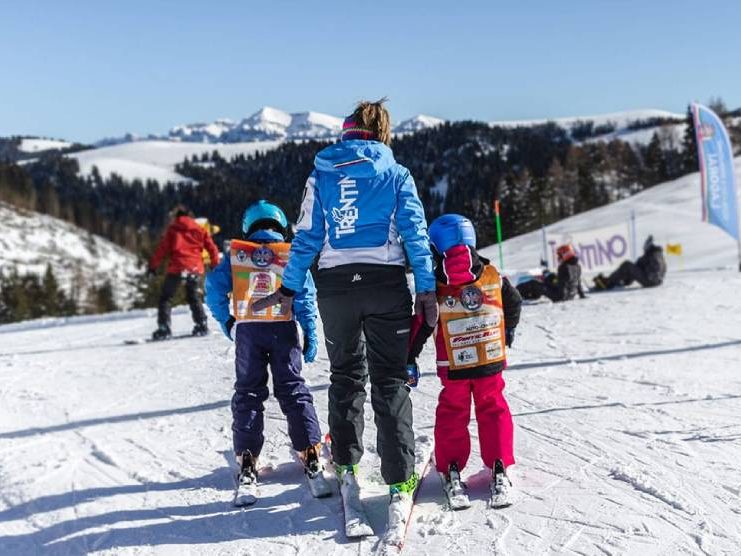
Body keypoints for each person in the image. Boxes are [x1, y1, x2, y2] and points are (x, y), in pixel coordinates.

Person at [252, 100, 437, 519]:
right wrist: (426, 289)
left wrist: (288, 287)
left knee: (346, 376)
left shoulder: (321, 175)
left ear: (346, 132)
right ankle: (399, 478)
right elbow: (414, 233)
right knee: (390, 380)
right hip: (385, 285)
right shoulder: (396, 174)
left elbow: (306, 237)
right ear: (381, 132)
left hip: (335, 289)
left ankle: (349, 468)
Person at [204, 200, 323, 505]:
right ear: (279, 224)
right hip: (283, 328)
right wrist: (309, 331)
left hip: (248, 330)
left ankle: (247, 461)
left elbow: (214, 288)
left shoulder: (236, 255)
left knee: (248, 392)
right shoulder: (288, 254)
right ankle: (310, 453)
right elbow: (305, 294)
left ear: (249, 225)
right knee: (293, 388)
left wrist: (228, 322)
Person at [407, 214, 522, 508]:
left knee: (452, 413)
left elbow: (423, 322)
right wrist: (505, 331)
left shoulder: (435, 283)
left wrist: (408, 356)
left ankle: (452, 469)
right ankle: (499, 466)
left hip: (454, 366)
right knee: (493, 407)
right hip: (490, 361)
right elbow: (514, 301)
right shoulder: (492, 274)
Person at [148, 205, 220, 340]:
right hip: (194, 267)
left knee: (166, 298)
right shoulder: (199, 229)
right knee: (193, 297)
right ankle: (202, 325)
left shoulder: (173, 229)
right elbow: (212, 248)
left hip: (177, 267)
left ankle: (164, 329)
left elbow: (161, 250)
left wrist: (153, 267)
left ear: (177, 217)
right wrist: (215, 264)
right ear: (190, 217)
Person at [593, 235, 667, 290]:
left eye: (646, 245)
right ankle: (619, 281)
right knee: (630, 267)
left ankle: (608, 282)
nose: (644, 248)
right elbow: (663, 269)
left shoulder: (653, 255)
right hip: (655, 281)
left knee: (627, 265)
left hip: (651, 281)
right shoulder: (657, 254)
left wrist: (652, 276)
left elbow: (655, 269)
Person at [516, 243, 586, 302]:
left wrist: (546, 282)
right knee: (550, 278)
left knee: (534, 283)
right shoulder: (577, 266)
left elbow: (561, 285)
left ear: (565, 254)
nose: (559, 257)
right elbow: (577, 282)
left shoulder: (564, 267)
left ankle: (516, 294)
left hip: (561, 296)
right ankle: (532, 296)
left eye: (560, 255)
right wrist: (582, 295)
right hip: (571, 295)